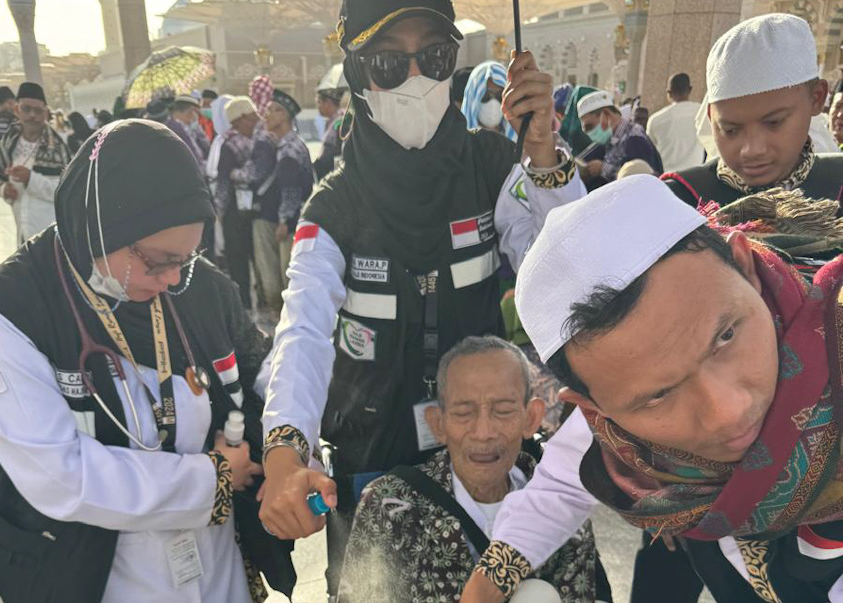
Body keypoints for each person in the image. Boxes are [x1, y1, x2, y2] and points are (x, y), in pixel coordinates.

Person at [258, 0, 587, 596]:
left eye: (433, 58)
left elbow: (569, 272)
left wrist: (543, 153)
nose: (416, 79)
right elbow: (303, 330)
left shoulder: (493, 164)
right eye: (389, 64)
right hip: (374, 457)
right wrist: (285, 448)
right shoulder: (333, 206)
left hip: (482, 449)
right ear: (358, 75)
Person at [462, 173, 843, 603]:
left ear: (745, 267)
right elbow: (559, 486)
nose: (727, 412)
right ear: (595, 412)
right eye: (659, 396)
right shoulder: (621, 430)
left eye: (725, 338)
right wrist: (488, 582)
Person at [0, 119, 279, 602]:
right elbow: (60, 475)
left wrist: (289, 449)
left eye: (186, 259)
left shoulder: (196, 286)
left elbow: (261, 371)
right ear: (103, 229)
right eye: (158, 261)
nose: (174, 279)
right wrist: (209, 480)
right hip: (98, 576)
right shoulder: (6, 315)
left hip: (216, 567)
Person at [339, 335, 609, 603]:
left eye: (503, 410)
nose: (483, 432)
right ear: (437, 424)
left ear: (531, 418)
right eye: (463, 413)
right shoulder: (390, 504)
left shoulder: (564, 504)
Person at [663, 14, 843, 265]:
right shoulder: (677, 200)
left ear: (816, 98)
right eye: (731, 130)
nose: (752, 149)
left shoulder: (838, 183)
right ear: (711, 117)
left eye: (774, 123)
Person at [253, 89, 312, 315]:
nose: (266, 115)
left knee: (286, 274)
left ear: (284, 115)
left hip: (289, 222)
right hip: (291, 219)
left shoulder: (289, 149)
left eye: (272, 110)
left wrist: (284, 220)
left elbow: (291, 189)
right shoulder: (288, 144)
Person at [0, 82, 71, 245]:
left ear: (46, 113)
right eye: (26, 109)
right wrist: (4, 189)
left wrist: (30, 179)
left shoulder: (58, 146)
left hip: (52, 235)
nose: (32, 115)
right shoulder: (8, 142)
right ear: (16, 110)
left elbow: (65, 191)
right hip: (22, 229)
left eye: (38, 111)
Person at [212, 97, 261, 310]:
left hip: (260, 211)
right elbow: (223, 182)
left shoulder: (263, 140)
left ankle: (264, 302)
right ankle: (244, 305)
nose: (257, 120)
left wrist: (237, 174)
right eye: (252, 117)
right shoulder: (229, 145)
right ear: (239, 120)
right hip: (235, 211)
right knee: (238, 261)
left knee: (260, 259)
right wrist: (220, 212)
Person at [577, 89, 663, 186]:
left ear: (606, 114)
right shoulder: (613, 140)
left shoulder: (634, 139)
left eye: (590, 126)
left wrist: (602, 168)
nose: (589, 133)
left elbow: (638, 179)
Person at [646, 73, 705, 172]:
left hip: (666, 176)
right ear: (690, 90)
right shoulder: (702, 113)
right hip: (694, 176)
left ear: (668, 93)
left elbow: (650, 151)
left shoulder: (656, 119)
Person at [462, 60, 516, 141]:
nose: (493, 103)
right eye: (486, 95)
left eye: (499, 96)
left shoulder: (518, 143)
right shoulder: (458, 142)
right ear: (473, 97)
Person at [313, 85, 347, 181]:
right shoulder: (331, 122)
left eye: (319, 102)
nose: (317, 107)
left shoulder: (341, 123)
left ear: (328, 103)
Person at [167, 95, 209, 171]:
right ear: (190, 111)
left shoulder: (188, 127)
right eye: (195, 112)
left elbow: (206, 147)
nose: (196, 116)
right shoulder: (175, 129)